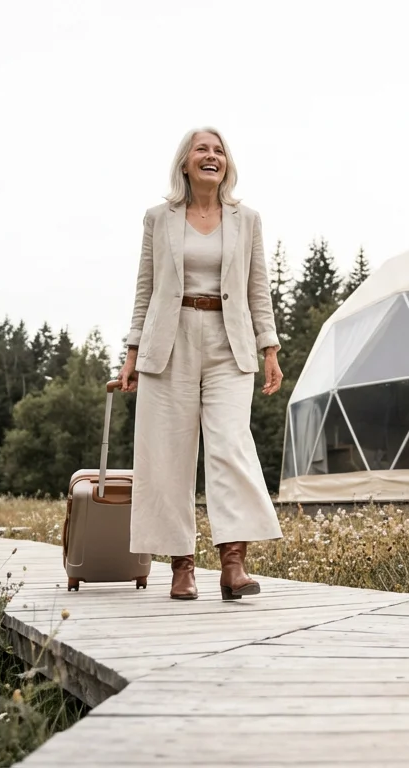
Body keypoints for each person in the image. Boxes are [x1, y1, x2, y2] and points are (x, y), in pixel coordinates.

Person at [118, 126, 284, 601]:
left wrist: (269, 348)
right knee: (167, 455)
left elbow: (258, 288)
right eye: (202, 150)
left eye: (219, 151)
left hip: (229, 345)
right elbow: (145, 289)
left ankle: (234, 565)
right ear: (186, 163)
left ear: (226, 164)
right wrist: (131, 353)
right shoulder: (159, 218)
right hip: (169, 342)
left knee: (230, 447)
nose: (211, 156)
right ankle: (181, 566)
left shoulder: (246, 219)